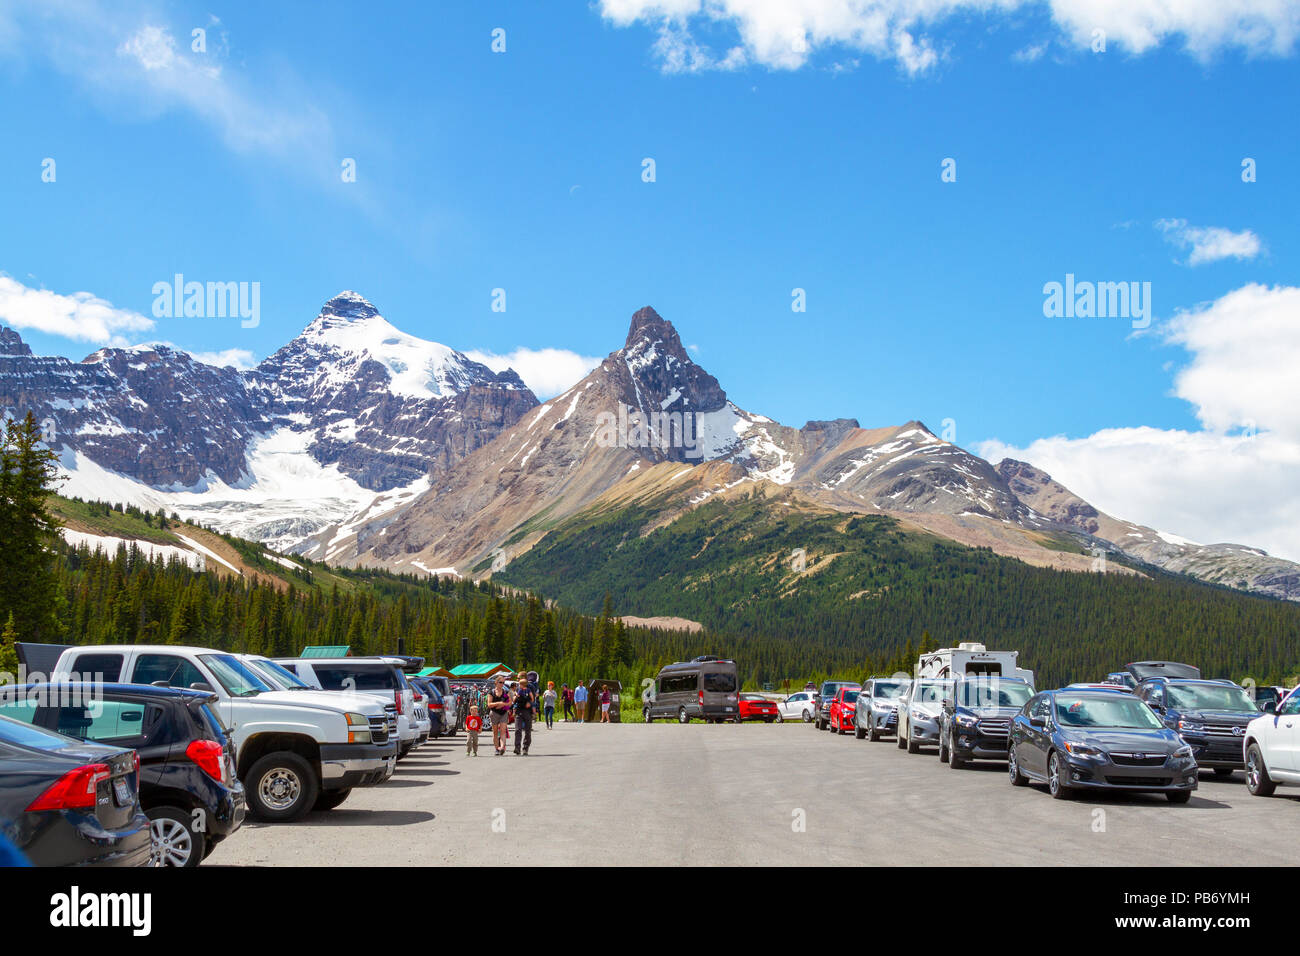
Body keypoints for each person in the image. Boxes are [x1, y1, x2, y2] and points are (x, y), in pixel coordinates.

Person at [486, 675, 512, 755]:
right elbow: (489, 704)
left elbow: (510, 703)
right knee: (495, 732)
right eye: (500, 682)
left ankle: (502, 747)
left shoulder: (505, 692)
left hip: (503, 713)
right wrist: (498, 703)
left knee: (503, 731)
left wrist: (503, 704)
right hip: (494, 713)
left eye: (503, 683)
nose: (502, 684)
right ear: (496, 683)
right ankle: (497, 749)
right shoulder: (491, 692)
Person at [513, 672, 535, 755]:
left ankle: (525, 748)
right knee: (518, 730)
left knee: (527, 730)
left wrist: (530, 703)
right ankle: (517, 748)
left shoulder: (530, 687)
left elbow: (533, 698)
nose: (517, 680)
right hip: (519, 710)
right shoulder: (518, 687)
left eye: (518, 678)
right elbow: (514, 697)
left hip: (527, 711)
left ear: (523, 678)